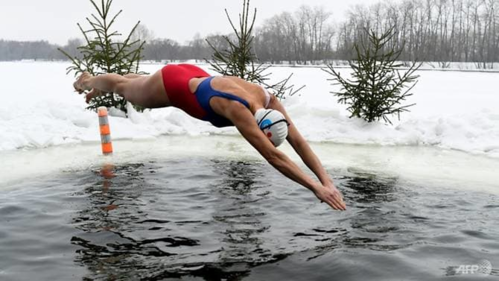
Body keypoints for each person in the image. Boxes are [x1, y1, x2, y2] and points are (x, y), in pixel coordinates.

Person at [73, 64, 346, 211]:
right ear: (259, 127)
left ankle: (127, 80)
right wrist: (315, 189)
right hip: (172, 85)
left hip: (194, 75)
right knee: (124, 88)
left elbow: (298, 142)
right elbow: (274, 156)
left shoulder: (268, 100)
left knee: (135, 83)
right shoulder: (237, 110)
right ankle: (88, 81)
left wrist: (327, 181)